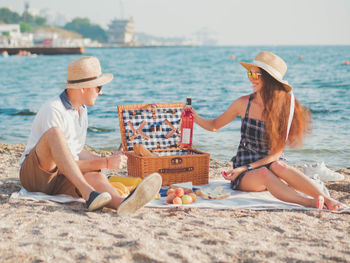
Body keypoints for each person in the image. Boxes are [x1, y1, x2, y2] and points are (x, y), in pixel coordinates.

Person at [190, 51, 342, 210]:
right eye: (250, 73)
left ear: (269, 80)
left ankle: (326, 199)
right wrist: (195, 116)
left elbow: (276, 154)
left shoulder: (285, 107)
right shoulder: (243, 103)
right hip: (246, 171)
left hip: (272, 163)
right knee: (264, 173)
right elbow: (214, 125)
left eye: (255, 75)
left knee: (279, 166)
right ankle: (308, 202)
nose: (250, 79)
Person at [19, 56, 162, 215]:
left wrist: (105, 161)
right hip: (36, 176)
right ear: (83, 88)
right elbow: (61, 166)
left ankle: (122, 204)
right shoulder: (54, 109)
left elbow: (76, 152)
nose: (101, 93)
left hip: (59, 180)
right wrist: (105, 162)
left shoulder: (81, 110)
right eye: (99, 87)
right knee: (55, 133)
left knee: (97, 177)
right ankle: (88, 193)